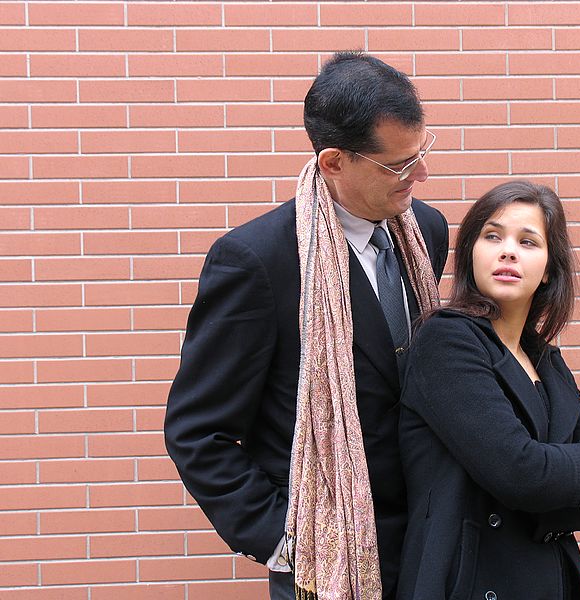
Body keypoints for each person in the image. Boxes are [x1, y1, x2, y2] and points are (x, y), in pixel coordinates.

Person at [164, 51, 449, 600]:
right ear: (335, 162)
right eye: (398, 164)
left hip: (430, 542)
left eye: (421, 152)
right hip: (328, 562)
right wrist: (283, 539)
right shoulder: (257, 261)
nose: (421, 175)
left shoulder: (426, 232)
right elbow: (198, 432)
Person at [396, 181, 580, 600]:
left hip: (552, 581)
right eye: (493, 236)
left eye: (528, 241)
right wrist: (567, 475)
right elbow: (519, 472)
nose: (508, 251)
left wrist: (544, 479)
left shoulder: (545, 359)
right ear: (471, 253)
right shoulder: (446, 341)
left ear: (549, 269)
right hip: (469, 581)